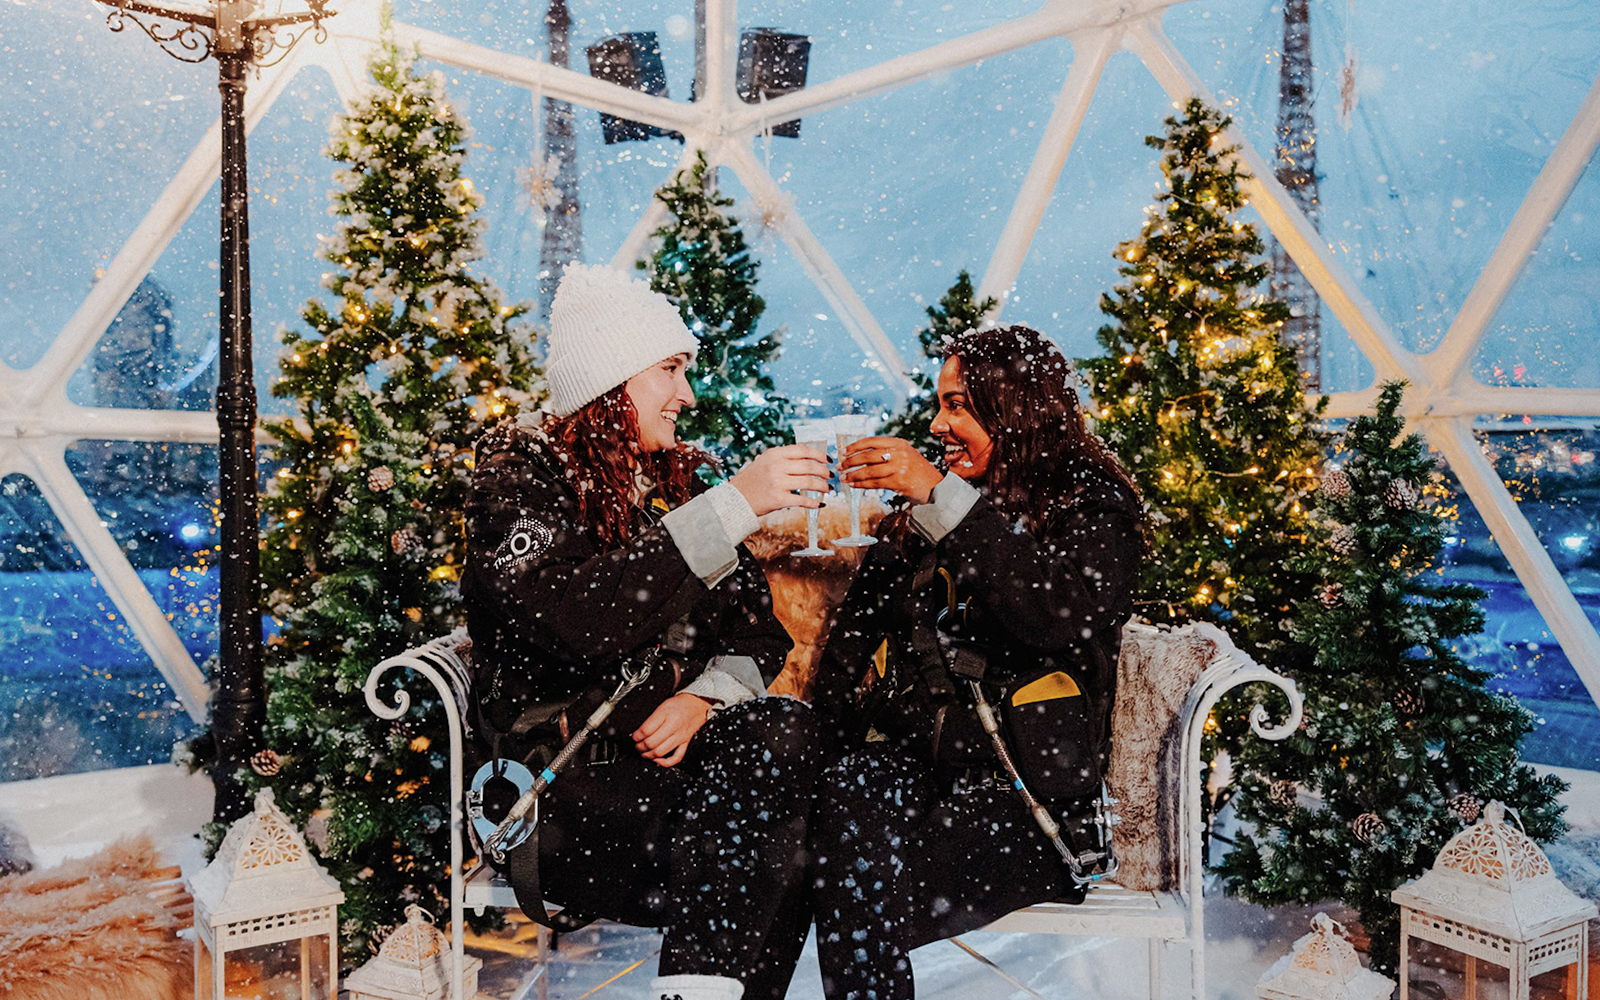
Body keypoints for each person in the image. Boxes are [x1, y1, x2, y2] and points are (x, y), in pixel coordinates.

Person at [462, 263, 830, 1000]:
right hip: (559, 790)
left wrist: (702, 700)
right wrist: (731, 508)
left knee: (786, 738)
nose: (687, 396)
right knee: (785, 844)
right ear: (613, 375)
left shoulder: (666, 479)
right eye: (671, 369)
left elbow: (759, 636)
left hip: (674, 785)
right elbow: (572, 621)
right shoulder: (523, 473)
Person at [808, 325, 1147, 1000]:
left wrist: (945, 500)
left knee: (857, 886)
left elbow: (1055, 615)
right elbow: (848, 646)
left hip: (1025, 793)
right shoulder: (927, 514)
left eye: (958, 405)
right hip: (918, 769)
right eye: (940, 404)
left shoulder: (1092, 504)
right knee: (839, 821)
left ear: (1016, 408)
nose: (938, 423)